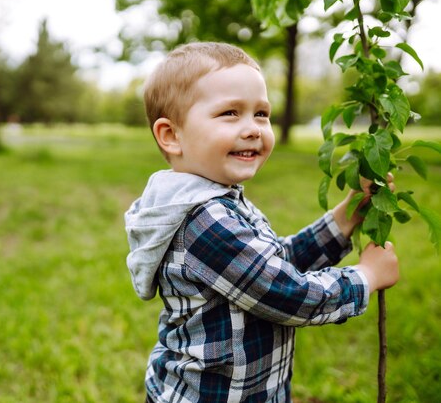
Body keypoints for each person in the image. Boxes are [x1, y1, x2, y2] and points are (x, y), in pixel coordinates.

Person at [124, 42, 399, 403]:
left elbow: (272, 263)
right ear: (171, 135)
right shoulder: (204, 221)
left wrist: (346, 218)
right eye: (230, 113)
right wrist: (365, 278)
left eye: (261, 113)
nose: (253, 128)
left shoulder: (217, 199)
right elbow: (287, 293)